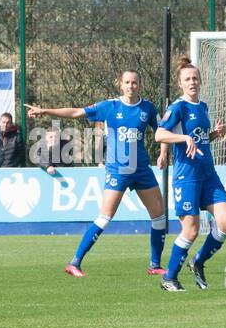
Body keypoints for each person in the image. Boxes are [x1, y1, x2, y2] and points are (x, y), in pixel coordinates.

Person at [29, 69, 170, 277]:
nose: (131, 86)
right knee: (105, 217)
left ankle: (155, 265)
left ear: (139, 85)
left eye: (134, 83)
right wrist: (45, 111)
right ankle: (75, 262)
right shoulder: (110, 106)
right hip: (118, 169)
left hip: (141, 168)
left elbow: (162, 132)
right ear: (120, 85)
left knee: (159, 217)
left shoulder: (147, 108)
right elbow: (77, 112)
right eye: (127, 82)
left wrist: (164, 153)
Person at [155, 57, 226, 292]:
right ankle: (169, 277)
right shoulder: (177, 107)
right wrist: (184, 138)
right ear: (180, 83)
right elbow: (159, 134)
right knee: (191, 229)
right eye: (187, 79)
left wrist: (213, 136)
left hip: (208, 174)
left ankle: (198, 261)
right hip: (186, 176)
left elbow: (199, 139)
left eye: (195, 78)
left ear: (201, 82)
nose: (192, 82)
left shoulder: (203, 106)